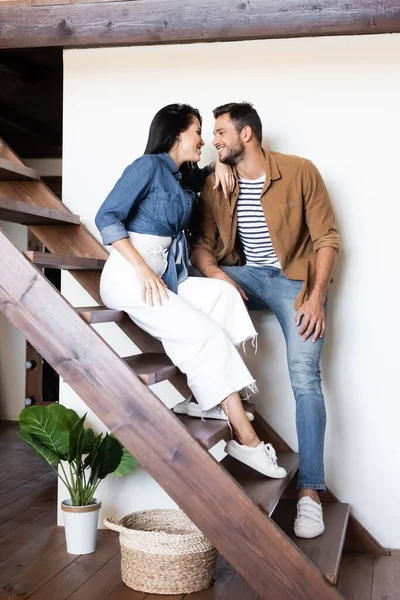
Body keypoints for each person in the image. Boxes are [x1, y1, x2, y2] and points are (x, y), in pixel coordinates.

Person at [95, 103, 287, 480]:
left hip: (166, 276)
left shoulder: (184, 176)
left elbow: (211, 172)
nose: (204, 140)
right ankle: (245, 440)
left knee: (224, 295)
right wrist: (140, 269)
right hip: (130, 278)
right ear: (177, 133)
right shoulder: (147, 166)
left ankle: (209, 397)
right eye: (198, 131)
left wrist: (222, 165)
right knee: (205, 335)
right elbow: (107, 216)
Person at [190, 102, 341, 539]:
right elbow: (202, 246)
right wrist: (220, 278)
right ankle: (217, 397)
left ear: (247, 135)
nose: (214, 141)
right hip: (245, 276)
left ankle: (311, 493)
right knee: (187, 287)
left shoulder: (299, 171)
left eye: (220, 133)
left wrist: (315, 296)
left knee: (305, 379)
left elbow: (327, 238)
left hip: (296, 283)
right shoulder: (215, 184)